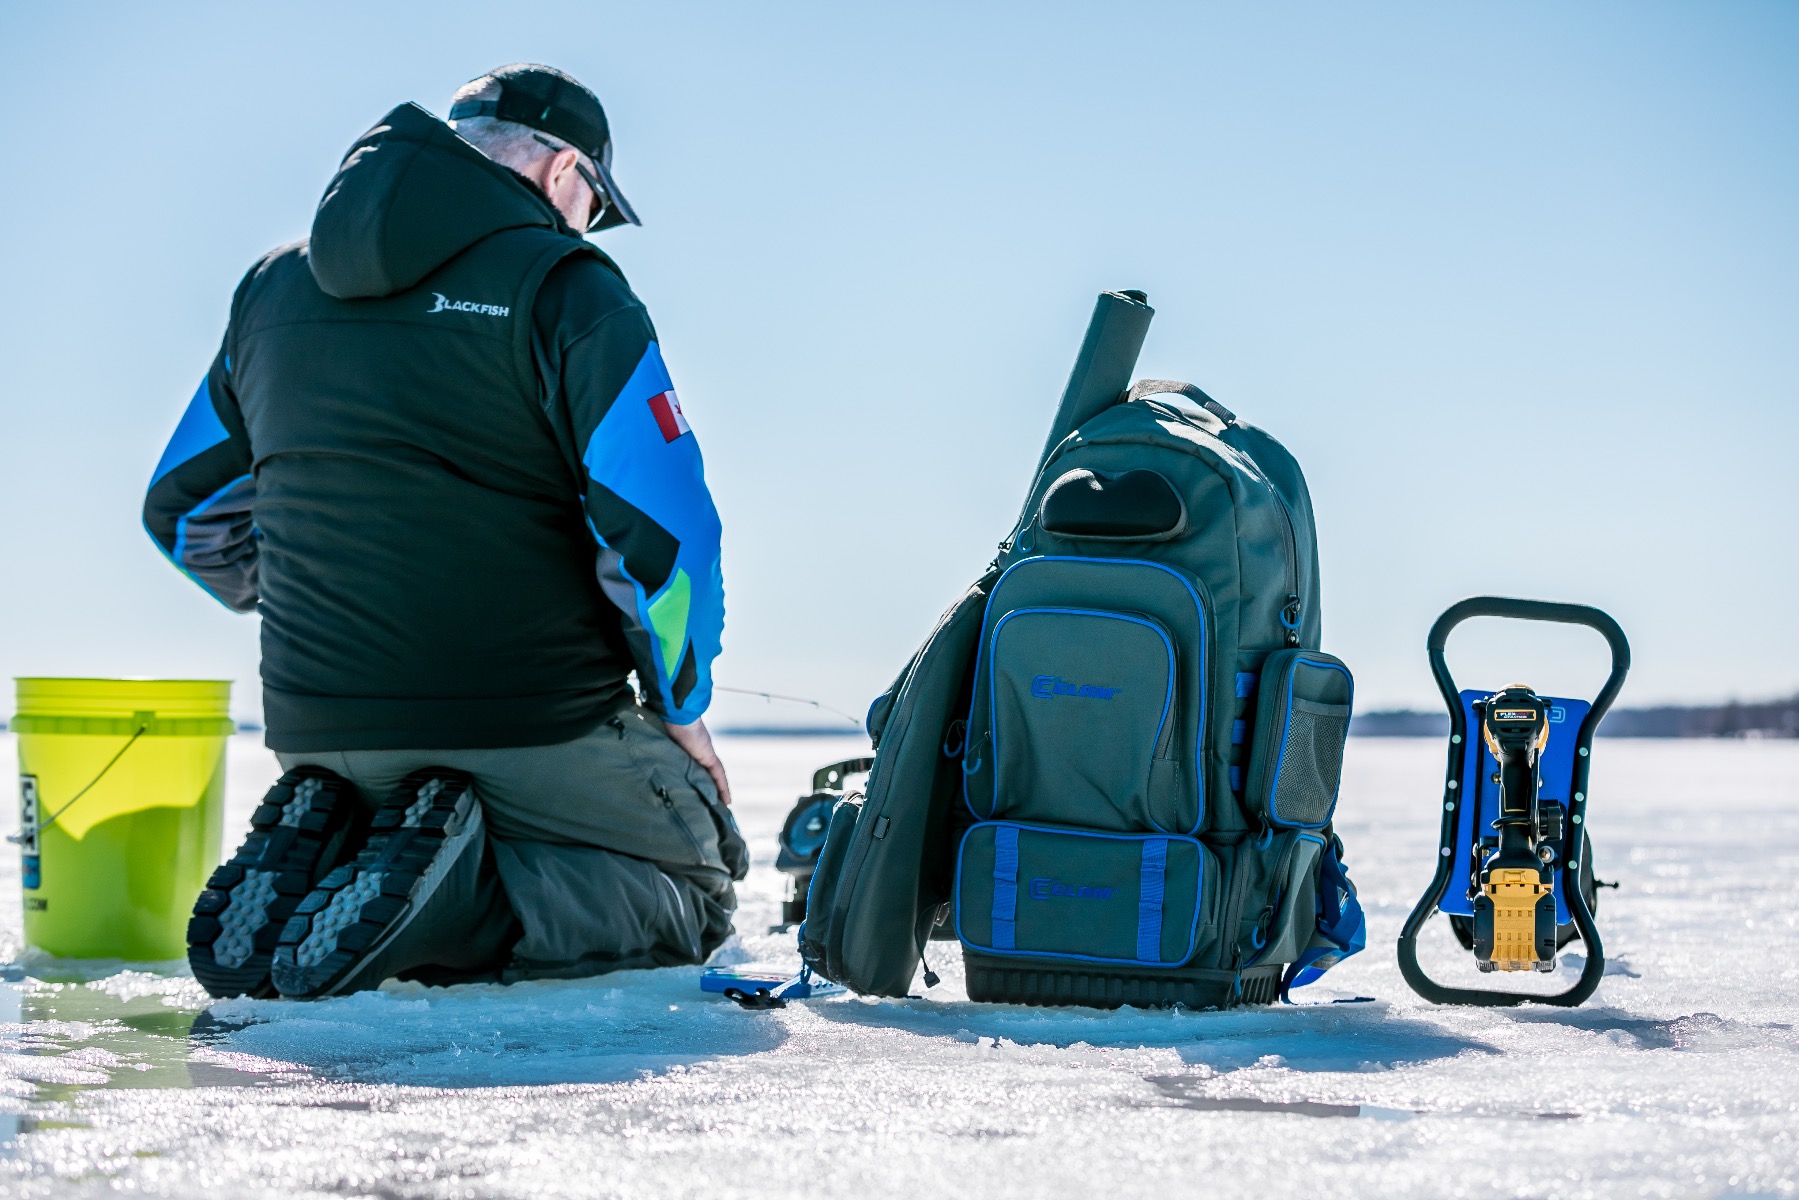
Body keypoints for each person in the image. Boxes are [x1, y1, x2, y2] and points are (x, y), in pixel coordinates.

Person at [144, 64, 746, 1000]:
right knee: (695, 891)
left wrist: (333, 580)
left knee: (432, 819)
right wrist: (681, 705)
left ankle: (341, 847)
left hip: (319, 725)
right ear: (561, 175)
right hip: (528, 719)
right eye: (595, 201)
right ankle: (455, 906)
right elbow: (661, 534)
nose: (589, 223)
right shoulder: (566, 285)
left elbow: (182, 513)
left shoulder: (270, 292)